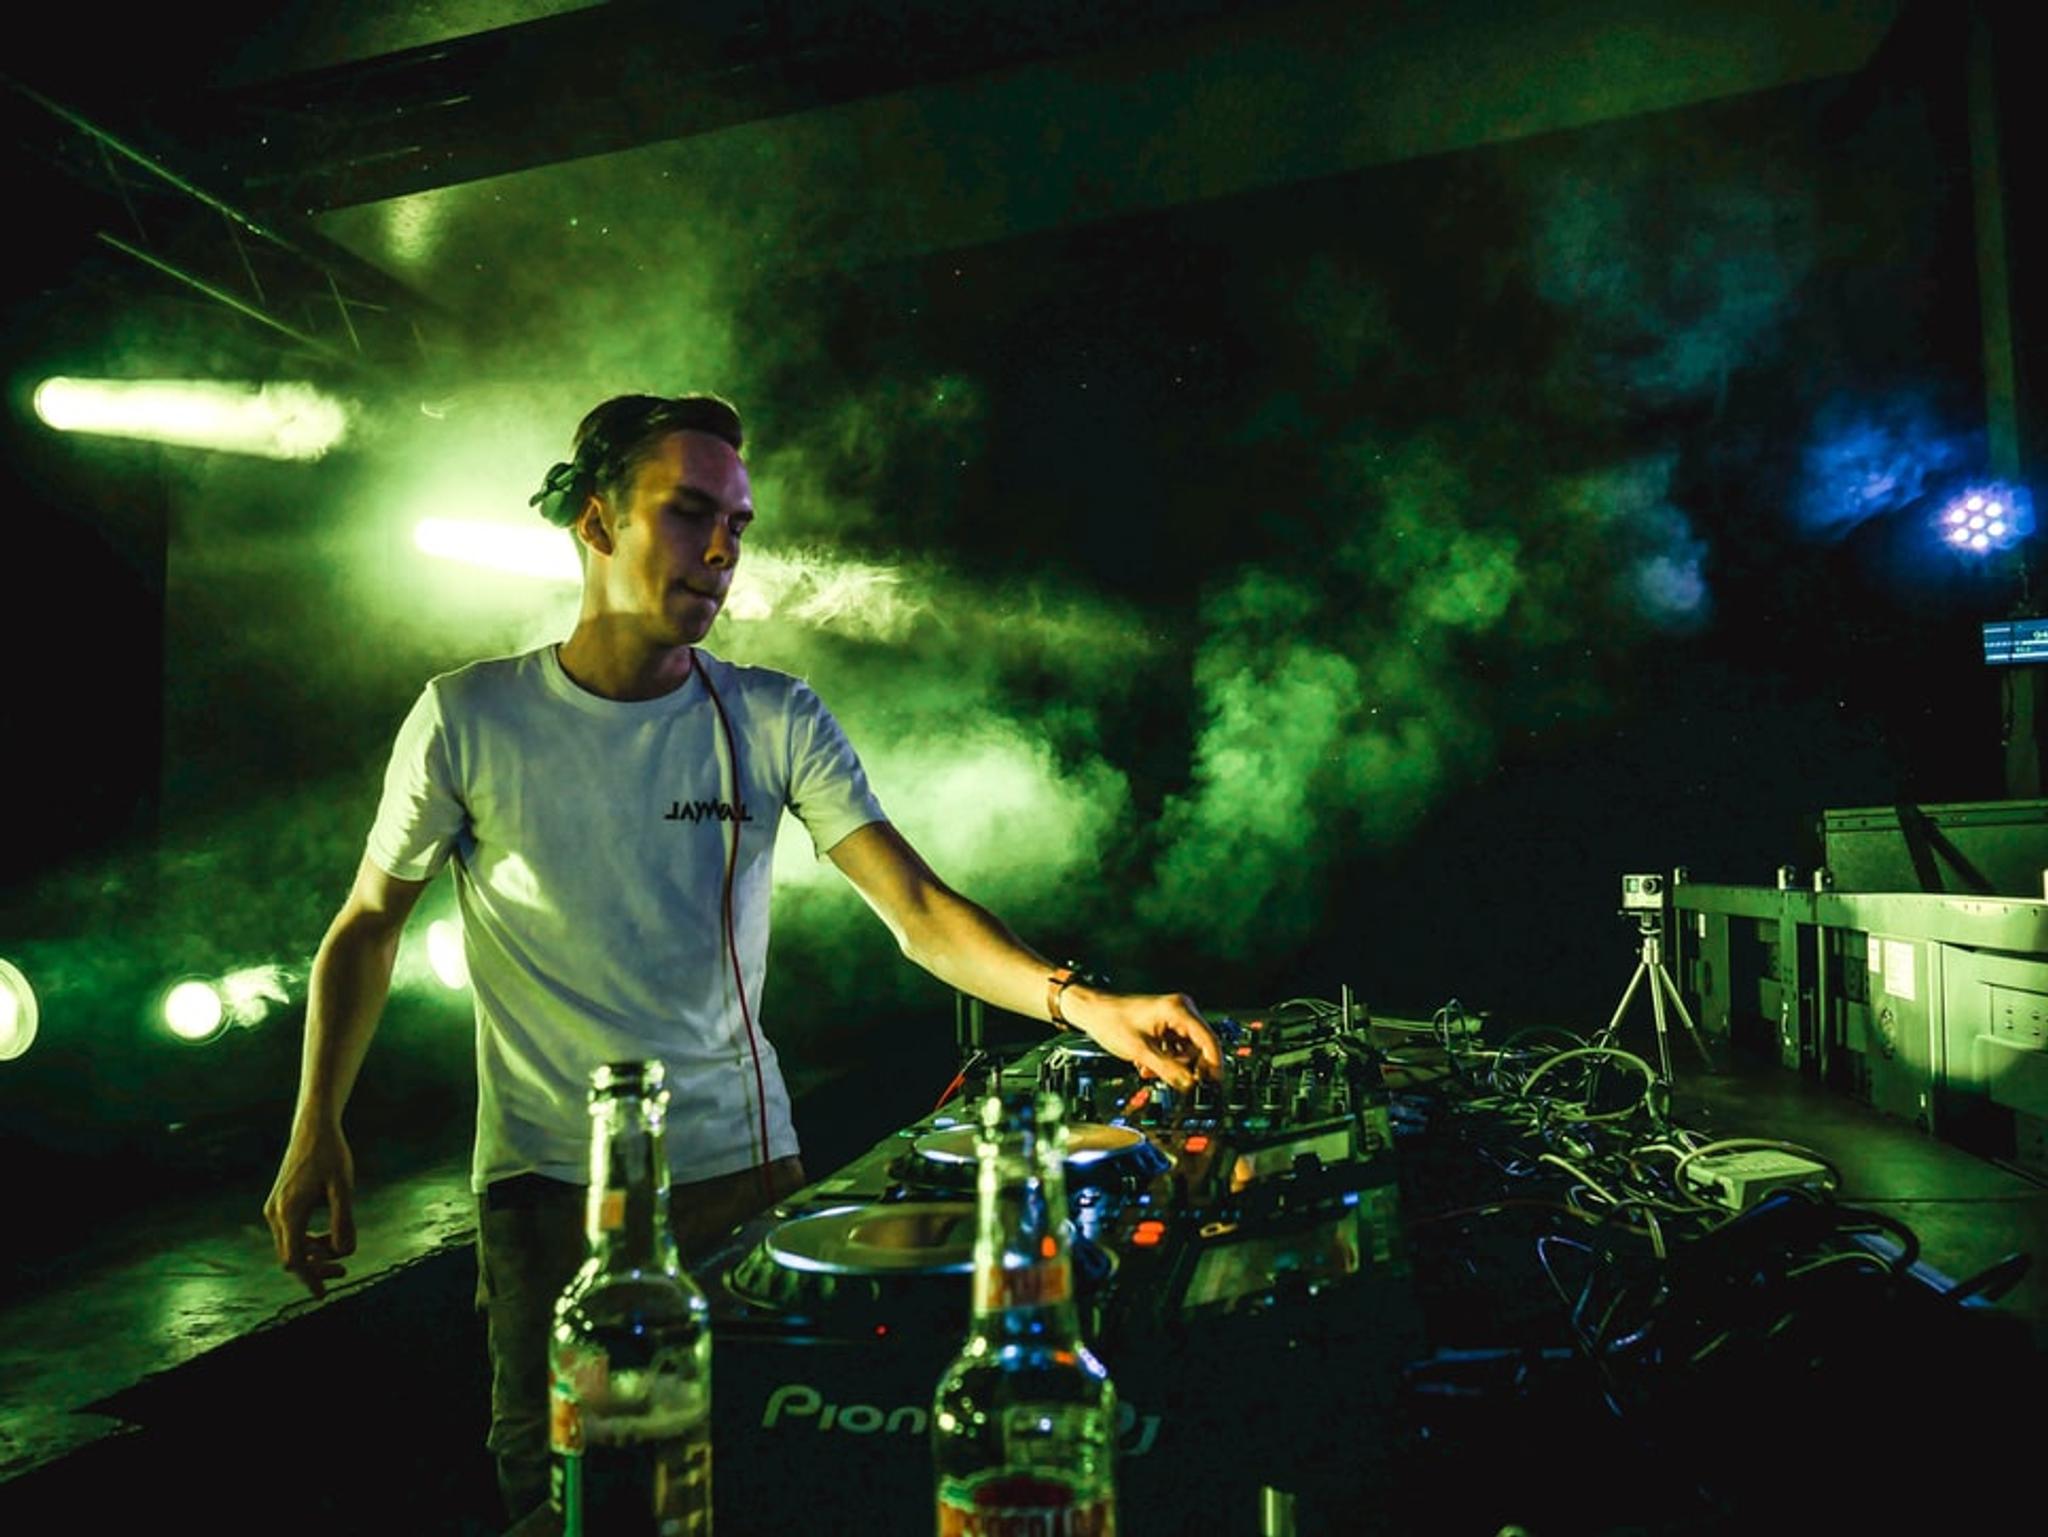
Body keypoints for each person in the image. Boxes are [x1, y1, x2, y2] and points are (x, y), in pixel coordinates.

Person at [261, 391, 1221, 1523]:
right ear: (596, 520)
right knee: (575, 1498)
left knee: (768, 1481)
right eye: (689, 513)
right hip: (544, 1198)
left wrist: (1085, 1004)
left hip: (742, 1179)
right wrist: (316, 1120)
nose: (721, 550)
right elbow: (366, 925)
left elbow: (917, 908)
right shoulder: (467, 716)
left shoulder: (773, 716)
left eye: (738, 525)